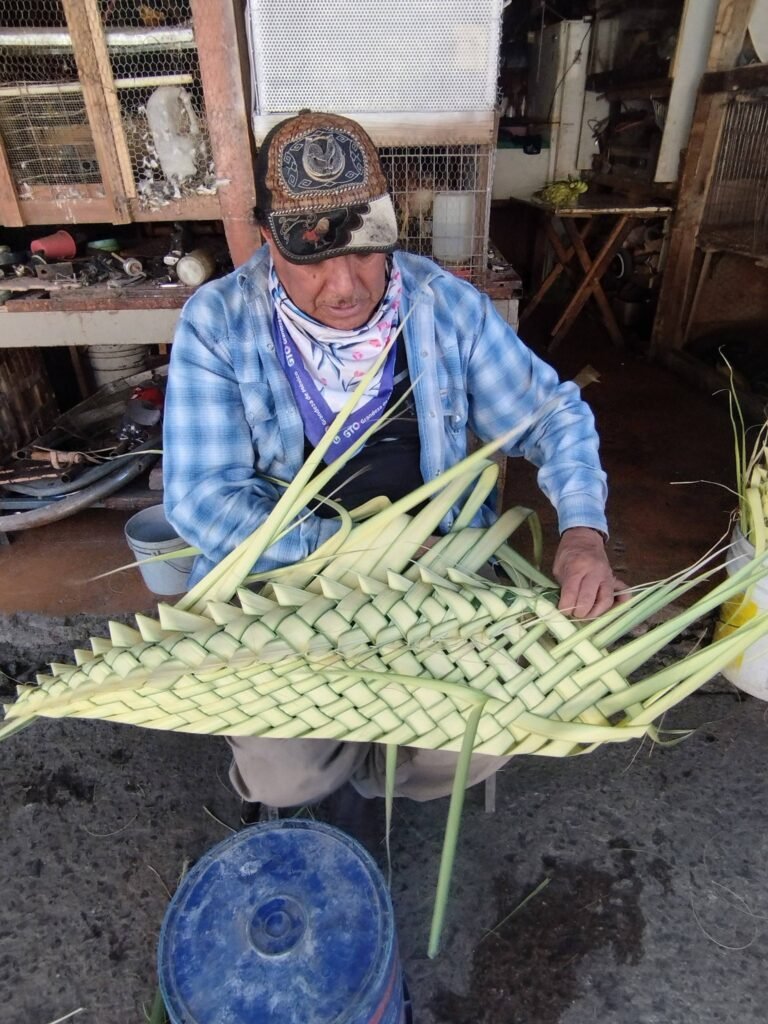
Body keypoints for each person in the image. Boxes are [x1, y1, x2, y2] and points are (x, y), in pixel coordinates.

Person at [163, 111, 620, 816]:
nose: (345, 285)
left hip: (440, 579)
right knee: (288, 774)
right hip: (288, 585)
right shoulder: (219, 322)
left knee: (468, 738)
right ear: (266, 239)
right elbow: (201, 497)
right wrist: (356, 552)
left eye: (367, 250)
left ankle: (386, 778)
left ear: (391, 227)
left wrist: (584, 532)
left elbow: (553, 416)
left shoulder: (443, 307)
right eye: (313, 256)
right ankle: (327, 780)